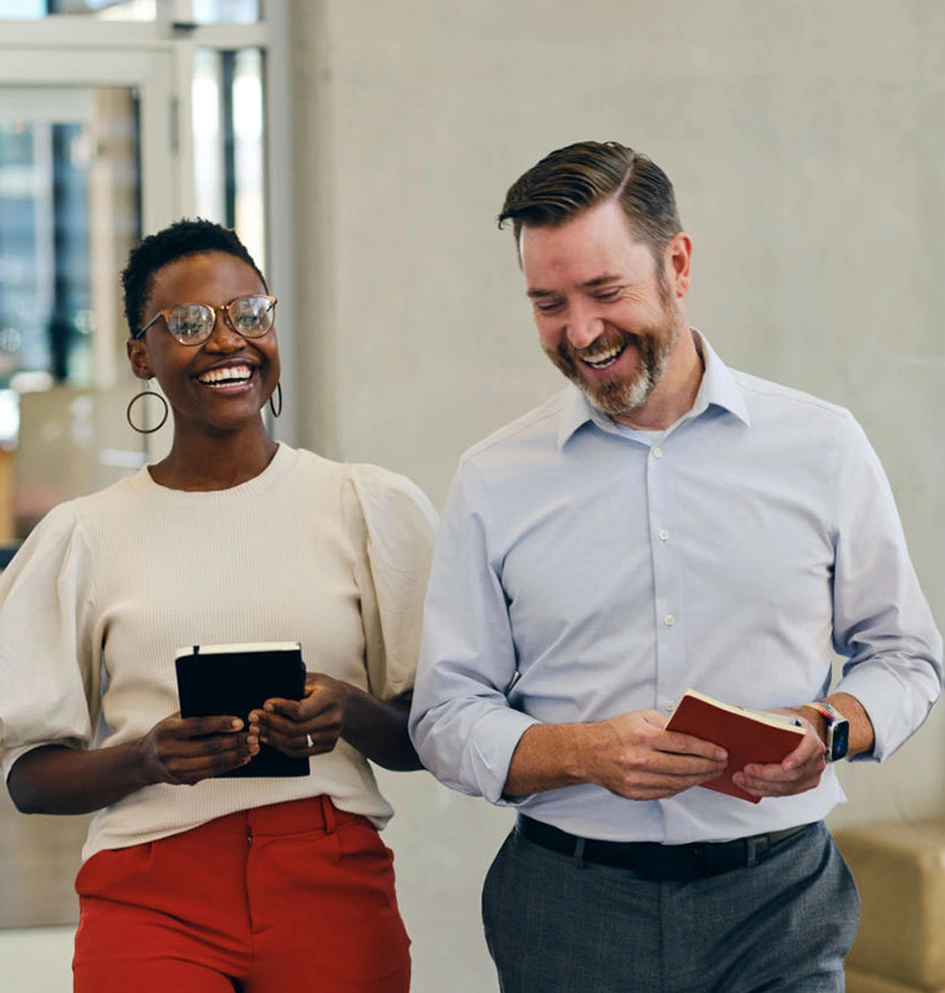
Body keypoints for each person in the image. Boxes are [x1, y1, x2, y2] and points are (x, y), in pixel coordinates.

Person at [409, 141, 944, 992]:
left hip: (780, 904)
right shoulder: (492, 477)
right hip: (565, 908)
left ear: (678, 262)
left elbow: (907, 658)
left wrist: (827, 728)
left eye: (604, 292)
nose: (579, 332)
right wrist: (578, 752)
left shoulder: (821, 445)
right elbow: (443, 716)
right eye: (547, 303)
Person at [0, 218, 437, 993]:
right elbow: (29, 780)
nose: (228, 340)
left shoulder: (364, 505)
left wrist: (347, 712)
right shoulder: (85, 536)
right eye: (190, 324)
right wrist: (146, 757)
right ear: (142, 354)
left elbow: (424, 738)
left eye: (250, 314)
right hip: (149, 885)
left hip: (329, 873)